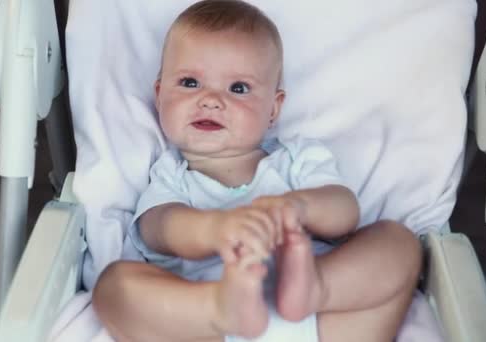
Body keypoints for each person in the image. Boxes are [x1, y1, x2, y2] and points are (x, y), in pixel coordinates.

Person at [93, 1, 422, 341]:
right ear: (159, 95)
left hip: (321, 322)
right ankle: (220, 307)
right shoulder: (171, 175)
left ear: (273, 109)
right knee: (113, 288)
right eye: (190, 82)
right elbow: (158, 228)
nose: (210, 100)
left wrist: (300, 208)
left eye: (238, 88)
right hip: (209, 328)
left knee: (398, 242)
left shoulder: (297, 160)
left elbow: (345, 213)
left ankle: (317, 287)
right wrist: (213, 229)